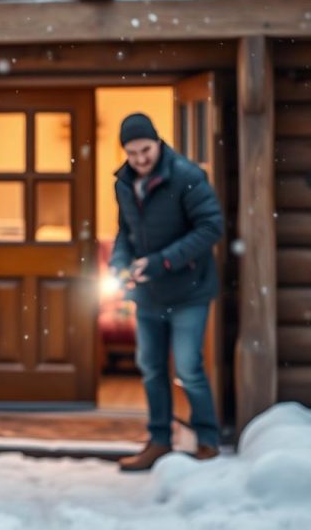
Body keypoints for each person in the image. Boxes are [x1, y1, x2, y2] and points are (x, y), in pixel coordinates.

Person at [109, 113, 224, 472]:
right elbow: (124, 232)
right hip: (148, 295)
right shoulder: (124, 185)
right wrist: (119, 263)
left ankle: (207, 441)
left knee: (188, 367)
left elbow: (211, 227)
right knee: (151, 368)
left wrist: (162, 261)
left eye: (145, 150)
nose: (140, 159)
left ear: (158, 143)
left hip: (189, 289)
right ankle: (159, 440)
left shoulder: (187, 176)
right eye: (132, 153)